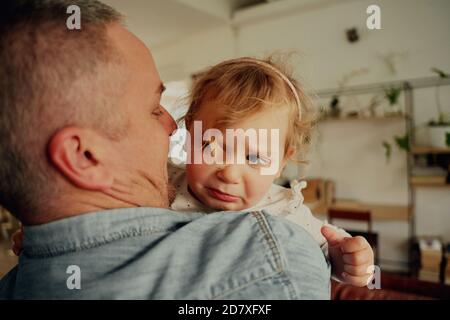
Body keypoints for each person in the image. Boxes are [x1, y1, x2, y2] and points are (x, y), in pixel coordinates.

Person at [0, 0, 331, 299]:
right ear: (85, 157)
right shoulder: (271, 256)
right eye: (155, 108)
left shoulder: (16, 282)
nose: (172, 127)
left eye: (253, 156)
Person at [168, 57, 374, 286]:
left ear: (281, 163)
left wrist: (346, 260)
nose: (230, 175)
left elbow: (328, 244)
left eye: (254, 158)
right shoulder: (163, 182)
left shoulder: (284, 208)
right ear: (188, 133)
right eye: (211, 147)